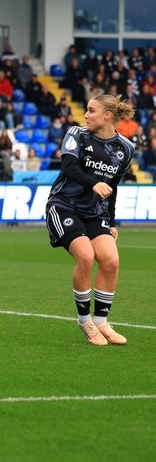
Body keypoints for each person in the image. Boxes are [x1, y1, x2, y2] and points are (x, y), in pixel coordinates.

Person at [45, 94, 136, 346]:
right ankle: (85, 320)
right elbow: (69, 168)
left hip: (96, 212)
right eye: (86, 109)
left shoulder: (125, 149)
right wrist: (94, 183)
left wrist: (112, 221)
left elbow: (113, 187)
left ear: (107, 116)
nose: (86, 115)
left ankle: (101, 321)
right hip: (63, 207)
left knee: (111, 260)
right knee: (85, 256)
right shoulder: (77, 134)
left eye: (91, 110)